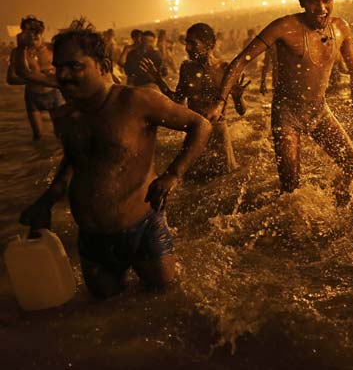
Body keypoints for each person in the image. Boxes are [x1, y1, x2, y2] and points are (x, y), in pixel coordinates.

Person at [20, 19, 211, 299]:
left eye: (74, 66)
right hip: (92, 240)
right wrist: (46, 201)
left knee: (165, 302)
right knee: (105, 315)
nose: (64, 75)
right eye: (59, 67)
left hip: (144, 229)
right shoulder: (66, 116)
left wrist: (173, 174)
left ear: (103, 66)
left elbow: (201, 125)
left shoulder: (137, 102)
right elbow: (74, 162)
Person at [204, 0, 353, 203]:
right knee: (291, 192)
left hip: (320, 111)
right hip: (287, 115)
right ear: (302, 2)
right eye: (313, 1)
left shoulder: (340, 28)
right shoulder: (284, 27)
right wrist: (221, 101)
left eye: (326, 0)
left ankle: (340, 202)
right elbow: (240, 61)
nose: (321, 8)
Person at [141, 22, 248, 180]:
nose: (188, 48)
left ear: (208, 45)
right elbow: (178, 101)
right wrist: (158, 80)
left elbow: (242, 111)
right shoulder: (187, 69)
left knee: (222, 182)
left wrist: (238, 98)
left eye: (193, 43)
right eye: (187, 43)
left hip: (218, 135)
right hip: (195, 133)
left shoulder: (225, 69)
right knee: (192, 184)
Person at [11, 16, 63, 140]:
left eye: (36, 32)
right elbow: (11, 78)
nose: (33, 36)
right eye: (28, 33)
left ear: (41, 33)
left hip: (53, 94)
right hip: (33, 97)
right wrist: (34, 79)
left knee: (60, 133)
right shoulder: (18, 52)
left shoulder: (52, 49)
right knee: (38, 135)